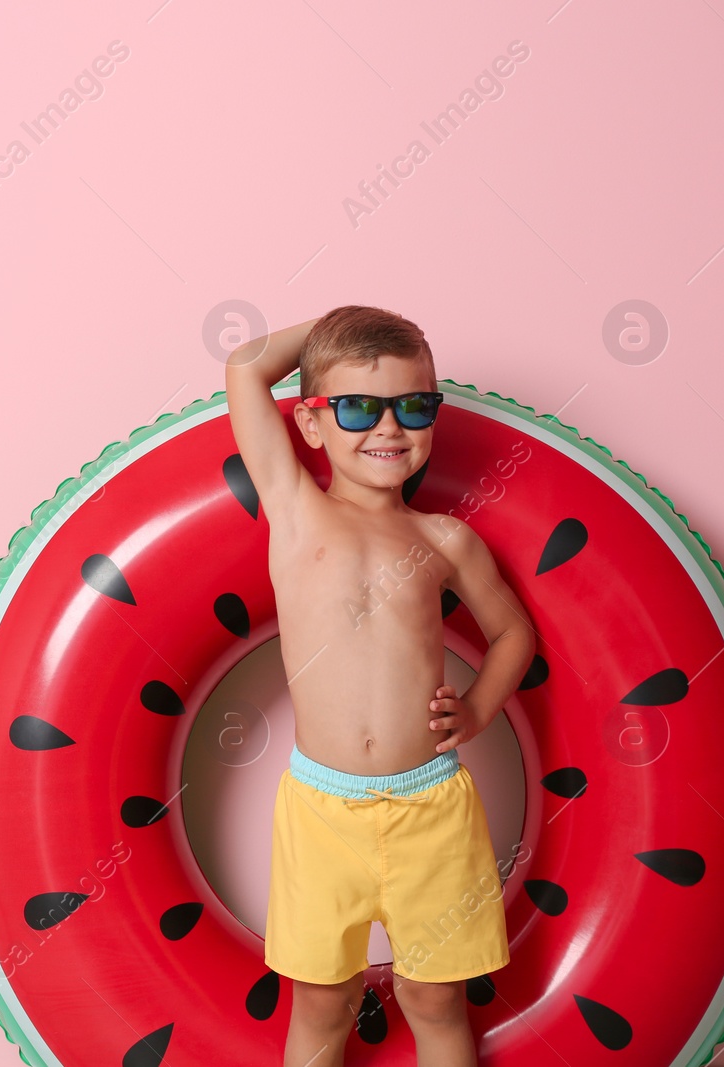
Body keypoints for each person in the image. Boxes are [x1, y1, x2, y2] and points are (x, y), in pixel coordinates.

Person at [224, 306, 537, 1067]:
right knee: (322, 1000)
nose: (389, 427)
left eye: (415, 405)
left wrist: (478, 706)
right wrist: (337, 323)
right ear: (310, 423)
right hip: (321, 809)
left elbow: (514, 633)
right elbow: (244, 368)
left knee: (435, 997)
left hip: (432, 804)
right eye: (361, 407)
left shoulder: (443, 539)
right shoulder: (296, 511)